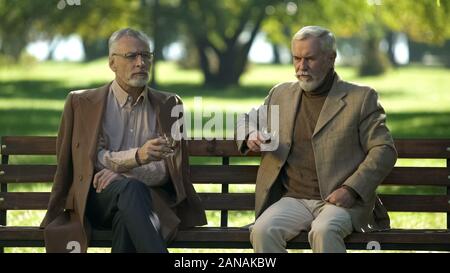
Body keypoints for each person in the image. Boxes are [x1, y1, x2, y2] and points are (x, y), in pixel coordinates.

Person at [40, 28, 206, 253]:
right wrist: (138, 157)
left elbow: (166, 169)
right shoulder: (81, 103)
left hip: (148, 202)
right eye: (131, 56)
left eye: (146, 55)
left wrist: (123, 174)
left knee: (128, 206)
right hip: (95, 201)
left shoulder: (169, 105)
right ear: (112, 63)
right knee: (130, 191)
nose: (141, 63)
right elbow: (88, 162)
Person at [236, 26, 397, 253]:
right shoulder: (281, 94)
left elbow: (384, 149)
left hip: (340, 200)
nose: (302, 67)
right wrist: (251, 134)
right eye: (297, 58)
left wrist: (351, 189)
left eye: (310, 59)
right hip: (293, 199)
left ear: (331, 58)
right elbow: (247, 119)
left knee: (323, 231)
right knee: (263, 231)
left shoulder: (361, 98)